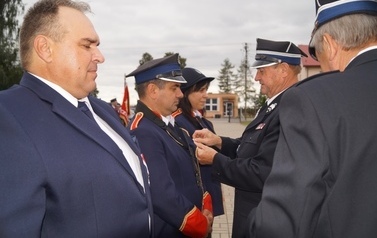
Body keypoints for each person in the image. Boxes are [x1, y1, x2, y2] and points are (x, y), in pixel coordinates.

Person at [0, 0, 153, 237]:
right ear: (45, 48)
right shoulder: (9, 114)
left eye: (97, 46)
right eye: (87, 45)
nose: (100, 56)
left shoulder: (102, 110)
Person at [247, 0, 377, 237]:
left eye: (317, 53)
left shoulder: (313, 99)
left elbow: (284, 220)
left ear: (330, 43)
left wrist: (252, 225)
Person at [193, 38, 307, 238]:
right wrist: (218, 142)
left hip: (266, 222)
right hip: (255, 216)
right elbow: (249, 147)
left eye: (262, 71)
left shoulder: (290, 109)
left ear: (283, 69)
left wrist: (215, 160)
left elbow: (261, 172)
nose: (256, 78)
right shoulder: (273, 105)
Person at [126, 53, 213, 238]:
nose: (180, 94)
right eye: (175, 88)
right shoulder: (142, 132)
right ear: (153, 90)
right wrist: (199, 224)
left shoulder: (174, 127)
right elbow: (161, 194)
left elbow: (195, 172)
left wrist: (206, 205)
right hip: (171, 230)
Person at [172, 67, 225, 235]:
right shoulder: (178, 123)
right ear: (185, 93)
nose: (206, 95)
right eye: (200, 90)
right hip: (194, 202)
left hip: (208, 196)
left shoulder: (203, 122)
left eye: (206, 90)